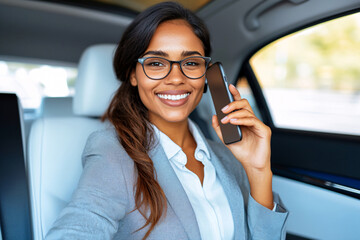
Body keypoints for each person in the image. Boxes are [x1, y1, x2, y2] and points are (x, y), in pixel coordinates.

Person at [46, 2, 288, 240]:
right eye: (156, 63)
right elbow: (80, 225)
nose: (175, 78)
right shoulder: (113, 152)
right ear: (133, 75)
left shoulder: (227, 156)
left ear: (206, 74)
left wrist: (258, 171)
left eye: (191, 63)